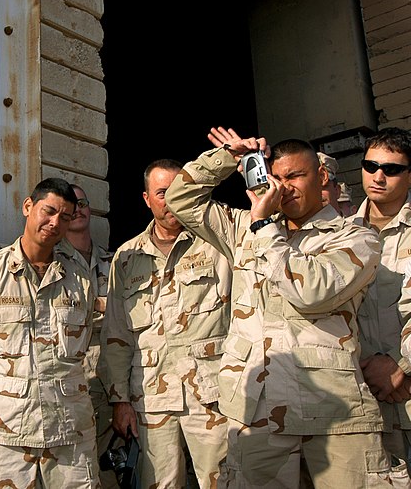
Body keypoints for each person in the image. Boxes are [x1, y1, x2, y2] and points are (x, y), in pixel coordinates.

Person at [164, 127, 406, 487]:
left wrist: (263, 226)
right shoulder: (244, 229)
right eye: (274, 178)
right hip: (258, 411)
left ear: (321, 176)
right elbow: (180, 199)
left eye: (295, 175)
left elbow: (311, 291)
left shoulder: (355, 235)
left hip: (332, 413)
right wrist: (230, 159)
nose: (283, 187)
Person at [0, 178, 99, 488]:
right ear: (28, 206)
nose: (55, 222)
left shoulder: (78, 278)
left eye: (65, 217)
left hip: (68, 429)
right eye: (49, 211)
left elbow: (81, 349)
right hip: (5, 432)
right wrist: (4, 395)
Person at [101, 159, 231, 489]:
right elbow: (116, 333)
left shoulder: (217, 243)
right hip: (151, 402)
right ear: (147, 199)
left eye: (179, 190)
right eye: (162, 192)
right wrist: (120, 401)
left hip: (213, 397)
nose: (171, 199)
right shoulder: (128, 257)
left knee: (225, 481)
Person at [350, 128, 411, 468]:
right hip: (365, 399)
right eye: (370, 165)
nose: (378, 176)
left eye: (391, 169)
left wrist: (400, 365)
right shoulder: (341, 234)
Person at [64, 184, 116, 488]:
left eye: (82, 202)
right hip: (73, 381)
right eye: (72, 204)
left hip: (111, 380)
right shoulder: (53, 263)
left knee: (110, 467)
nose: (78, 208)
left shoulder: (115, 261)